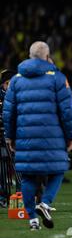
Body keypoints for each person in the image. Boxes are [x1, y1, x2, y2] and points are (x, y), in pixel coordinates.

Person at [3, 41, 72, 230]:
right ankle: (45, 203)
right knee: (58, 170)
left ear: (29, 55)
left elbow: (9, 112)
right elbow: (67, 110)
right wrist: (71, 136)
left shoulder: (17, 80)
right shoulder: (57, 78)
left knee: (27, 177)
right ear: (47, 55)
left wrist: (10, 137)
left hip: (24, 135)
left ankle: (32, 219)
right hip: (53, 135)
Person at [0, 69, 17, 208]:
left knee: (19, 166)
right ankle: (2, 195)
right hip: (3, 137)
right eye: (8, 83)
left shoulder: (18, 95)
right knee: (1, 166)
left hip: (14, 136)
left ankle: (20, 196)